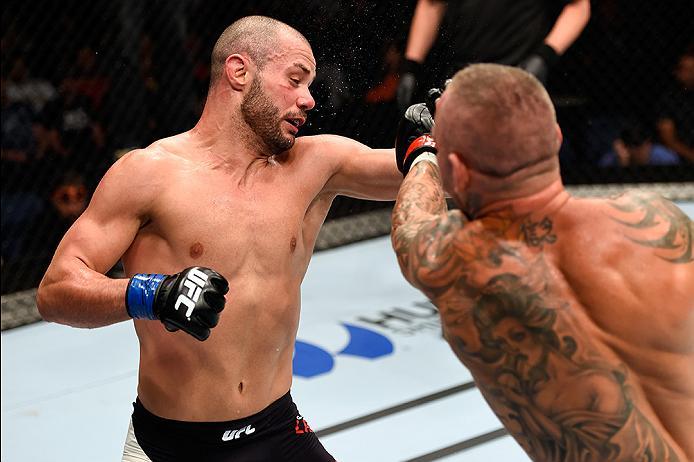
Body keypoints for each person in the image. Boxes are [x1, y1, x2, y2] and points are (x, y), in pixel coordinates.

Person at [37, 16, 408, 462]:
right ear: (239, 71)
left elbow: (424, 171)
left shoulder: (316, 163)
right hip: (172, 448)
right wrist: (152, 294)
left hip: (278, 431)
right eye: (295, 80)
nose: (308, 99)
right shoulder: (150, 173)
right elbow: (55, 291)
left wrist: (447, 137)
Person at [390, 63, 693, 461]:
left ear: (459, 172)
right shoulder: (656, 220)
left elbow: (411, 226)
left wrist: (426, 152)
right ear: (556, 137)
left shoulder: (456, 261)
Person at [396, 0, 591, 111]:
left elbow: (579, 6)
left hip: (517, 75)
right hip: (460, 76)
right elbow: (432, 4)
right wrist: (411, 64)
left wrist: (544, 56)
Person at [656, 44, 694, 163]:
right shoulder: (669, 100)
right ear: (677, 72)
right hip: (679, 156)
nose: (691, 75)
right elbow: (669, 141)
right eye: (687, 70)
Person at [598, 120, 680, 167]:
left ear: (648, 144)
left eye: (639, 145)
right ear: (623, 146)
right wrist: (623, 163)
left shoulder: (665, 158)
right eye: (630, 145)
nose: (636, 151)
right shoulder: (609, 160)